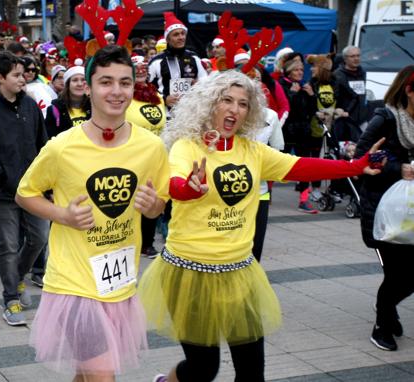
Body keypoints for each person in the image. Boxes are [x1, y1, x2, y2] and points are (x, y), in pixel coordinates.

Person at [138, 70, 386, 382]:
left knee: (253, 372)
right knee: (203, 369)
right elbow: (176, 183)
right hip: (190, 272)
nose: (234, 109)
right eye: (226, 100)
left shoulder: (253, 151)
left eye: (242, 104)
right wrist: (190, 188)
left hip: (240, 272)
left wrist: (355, 166)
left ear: (250, 111)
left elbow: (299, 167)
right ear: (209, 104)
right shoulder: (187, 147)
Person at [15, 44, 169, 382]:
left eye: (125, 82)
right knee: (103, 376)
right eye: (106, 82)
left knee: (88, 374)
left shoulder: (151, 146)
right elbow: (25, 193)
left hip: (119, 283)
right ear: (89, 86)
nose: (116, 91)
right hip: (74, 284)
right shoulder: (62, 146)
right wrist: (62, 215)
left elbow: (160, 201)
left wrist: (153, 206)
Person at [0, 51, 49, 326]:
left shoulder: (30, 107)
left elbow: (43, 145)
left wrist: (45, 179)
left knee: (39, 237)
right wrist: (2, 177)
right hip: (4, 193)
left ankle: (18, 276)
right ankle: (11, 298)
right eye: (16, 75)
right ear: (0, 78)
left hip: (34, 191)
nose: (22, 79)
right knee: (9, 246)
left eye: (23, 74)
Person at [355, 65, 414, 352]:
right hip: (384, 209)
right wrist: (395, 168)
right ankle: (382, 323)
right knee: (397, 273)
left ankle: (388, 311)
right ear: (409, 90)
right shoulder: (387, 118)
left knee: (407, 274)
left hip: (412, 210)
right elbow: (360, 157)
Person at [125, 55, 167, 259]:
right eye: (136, 67)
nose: (141, 70)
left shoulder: (156, 95)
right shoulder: (125, 95)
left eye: (144, 67)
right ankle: (130, 240)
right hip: (131, 155)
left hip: (155, 155)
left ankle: (147, 243)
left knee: (152, 197)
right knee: (132, 199)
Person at [279, 56, 320, 213]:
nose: (300, 72)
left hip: (303, 131)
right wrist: (292, 94)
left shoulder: (305, 86)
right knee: (277, 162)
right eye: (296, 70)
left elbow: (311, 111)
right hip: (286, 131)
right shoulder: (282, 85)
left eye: (302, 70)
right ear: (289, 72)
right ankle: (265, 196)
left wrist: (311, 96)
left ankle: (304, 200)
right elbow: (285, 108)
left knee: (304, 165)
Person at [148, 12, 206, 109]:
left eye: (183, 33)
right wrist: (164, 99)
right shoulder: (156, 61)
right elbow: (147, 88)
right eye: (176, 34)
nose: (181, 37)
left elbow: (205, 81)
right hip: (166, 114)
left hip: (190, 112)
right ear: (168, 39)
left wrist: (199, 86)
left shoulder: (194, 58)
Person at [333, 46, 368, 141]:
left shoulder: (362, 72)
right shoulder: (338, 75)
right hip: (346, 119)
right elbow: (335, 96)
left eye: (358, 55)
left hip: (362, 118)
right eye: (352, 56)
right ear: (345, 58)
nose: (356, 58)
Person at [45, 65, 90, 137]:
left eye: (83, 80)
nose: (80, 84)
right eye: (75, 80)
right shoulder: (55, 110)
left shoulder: (96, 107)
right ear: (67, 85)